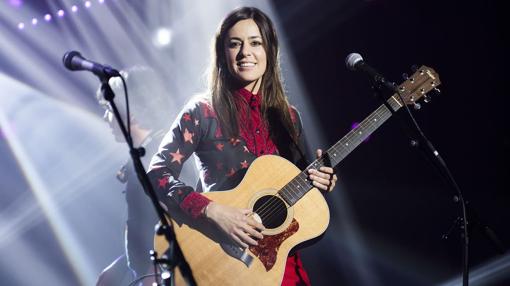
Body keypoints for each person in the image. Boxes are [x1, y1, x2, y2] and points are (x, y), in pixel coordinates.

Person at [147, 7, 337, 285]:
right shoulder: (203, 110)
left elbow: (297, 188)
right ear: (222, 53)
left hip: (277, 267)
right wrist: (212, 211)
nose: (245, 52)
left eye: (255, 42)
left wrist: (321, 180)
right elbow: (156, 173)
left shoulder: (289, 117)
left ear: (269, 51)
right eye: (235, 44)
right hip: (223, 260)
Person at [95, 66, 170, 286]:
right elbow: (145, 229)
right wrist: (121, 266)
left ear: (132, 111)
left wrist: (154, 269)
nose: (105, 117)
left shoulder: (161, 154)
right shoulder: (138, 160)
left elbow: (180, 220)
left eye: (109, 108)